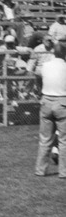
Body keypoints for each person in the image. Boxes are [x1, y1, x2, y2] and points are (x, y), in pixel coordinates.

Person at [34, 40, 66, 177]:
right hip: (62, 101)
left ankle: (40, 170)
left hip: (46, 100)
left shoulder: (45, 65)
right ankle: (63, 171)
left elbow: (36, 73)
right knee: (64, 140)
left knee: (45, 139)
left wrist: (40, 88)